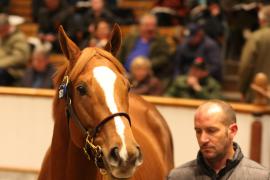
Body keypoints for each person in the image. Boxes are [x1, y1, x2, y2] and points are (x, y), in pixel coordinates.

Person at [168, 100, 270, 180]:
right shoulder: (177, 177)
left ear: (232, 131)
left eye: (211, 131)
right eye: (198, 131)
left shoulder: (260, 177)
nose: (203, 139)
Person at [118, 13, 171, 82]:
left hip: (146, 76)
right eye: (147, 25)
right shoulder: (130, 38)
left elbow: (164, 57)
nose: (150, 28)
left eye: (153, 25)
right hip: (125, 74)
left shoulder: (161, 41)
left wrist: (146, 65)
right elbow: (120, 54)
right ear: (140, 26)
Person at [239, 5, 270, 102]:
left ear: (262, 20)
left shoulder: (257, 37)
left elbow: (246, 65)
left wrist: (242, 89)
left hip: (258, 95)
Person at [0, 13, 30, 86]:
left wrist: (1, 64)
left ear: (7, 26)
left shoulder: (19, 38)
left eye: (1, 30)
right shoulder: (2, 36)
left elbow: (20, 58)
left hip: (13, 71)